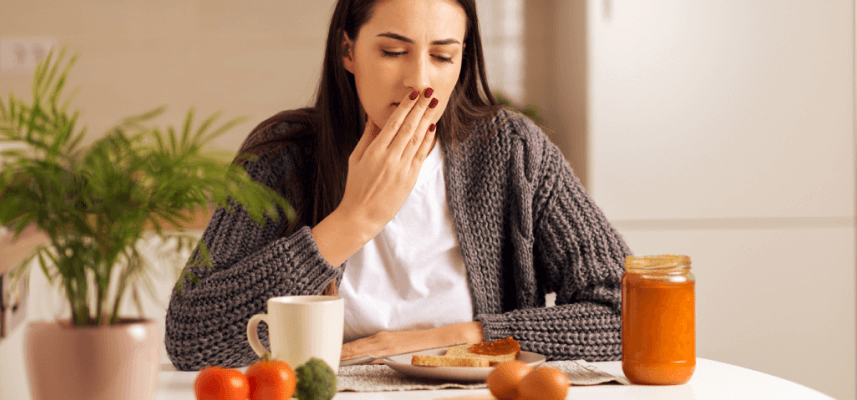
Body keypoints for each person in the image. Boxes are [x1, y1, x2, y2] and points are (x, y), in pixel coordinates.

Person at [165, 0, 631, 371]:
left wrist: (454, 337)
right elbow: (191, 339)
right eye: (392, 51)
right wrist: (353, 219)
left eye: (443, 55)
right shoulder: (280, 156)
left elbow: (627, 312)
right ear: (348, 51)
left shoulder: (513, 151)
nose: (419, 81)